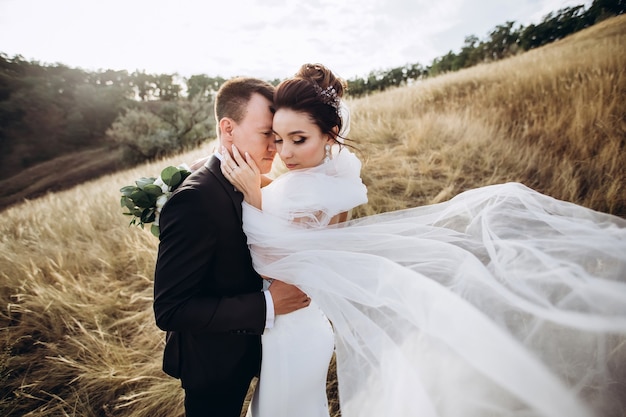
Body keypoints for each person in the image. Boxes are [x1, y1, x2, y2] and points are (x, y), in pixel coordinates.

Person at [222, 63, 626, 417]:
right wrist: (262, 185)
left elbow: (276, 259)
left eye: (298, 139)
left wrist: (253, 196)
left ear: (329, 135)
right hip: (299, 324)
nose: (284, 152)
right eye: (277, 137)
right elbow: (302, 223)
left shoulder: (305, 188)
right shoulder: (330, 178)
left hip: (291, 327)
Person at [153, 77, 312, 417]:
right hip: (215, 364)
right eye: (266, 134)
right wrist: (267, 304)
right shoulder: (195, 200)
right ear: (228, 129)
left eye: (279, 135)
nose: (277, 147)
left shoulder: (257, 182)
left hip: (266, 352)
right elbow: (170, 309)